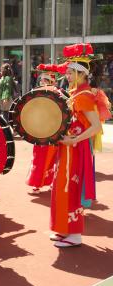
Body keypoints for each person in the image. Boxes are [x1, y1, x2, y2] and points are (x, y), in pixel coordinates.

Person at [50, 43, 102, 248]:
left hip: (76, 149)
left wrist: (74, 140)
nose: (68, 75)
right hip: (69, 147)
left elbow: (96, 126)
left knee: (70, 188)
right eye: (68, 72)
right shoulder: (75, 94)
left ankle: (74, 234)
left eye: (71, 72)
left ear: (81, 74)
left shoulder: (83, 96)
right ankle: (64, 230)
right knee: (62, 187)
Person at [26, 64, 59, 194]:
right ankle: (37, 184)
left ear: (51, 81)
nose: (41, 82)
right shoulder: (37, 93)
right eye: (41, 80)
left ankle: (52, 182)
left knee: (53, 157)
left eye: (44, 80)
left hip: (54, 129)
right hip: (40, 130)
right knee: (39, 157)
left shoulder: (59, 93)